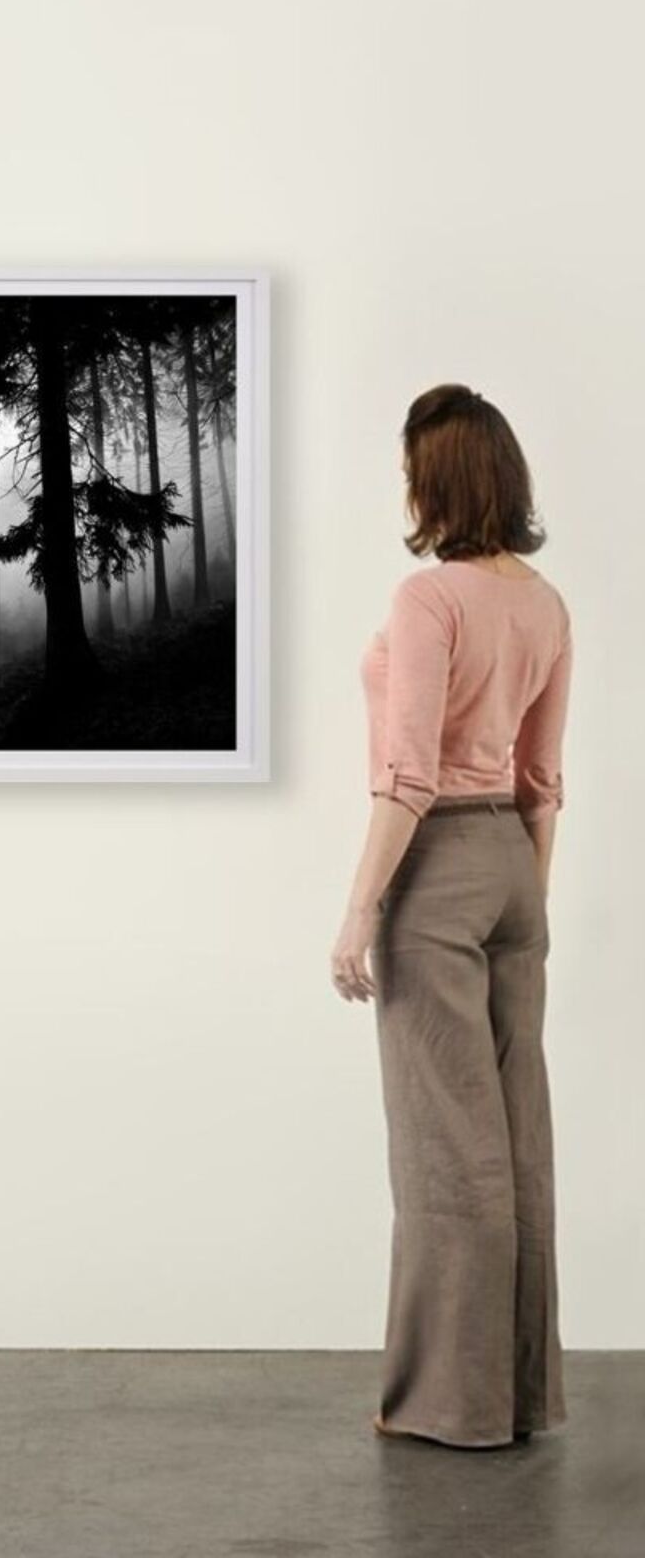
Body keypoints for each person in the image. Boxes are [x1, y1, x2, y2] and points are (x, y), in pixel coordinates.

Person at [330, 384, 574, 1450]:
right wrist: (528, 898)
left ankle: (449, 1402)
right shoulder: (546, 603)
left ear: (442, 478)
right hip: (514, 867)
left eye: (411, 467)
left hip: (436, 869)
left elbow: (407, 773)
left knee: (446, 1147)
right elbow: (543, 778)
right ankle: (517, 1395)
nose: (404, 485)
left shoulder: (430, 599)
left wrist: (358, 908)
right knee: (515, 1138)